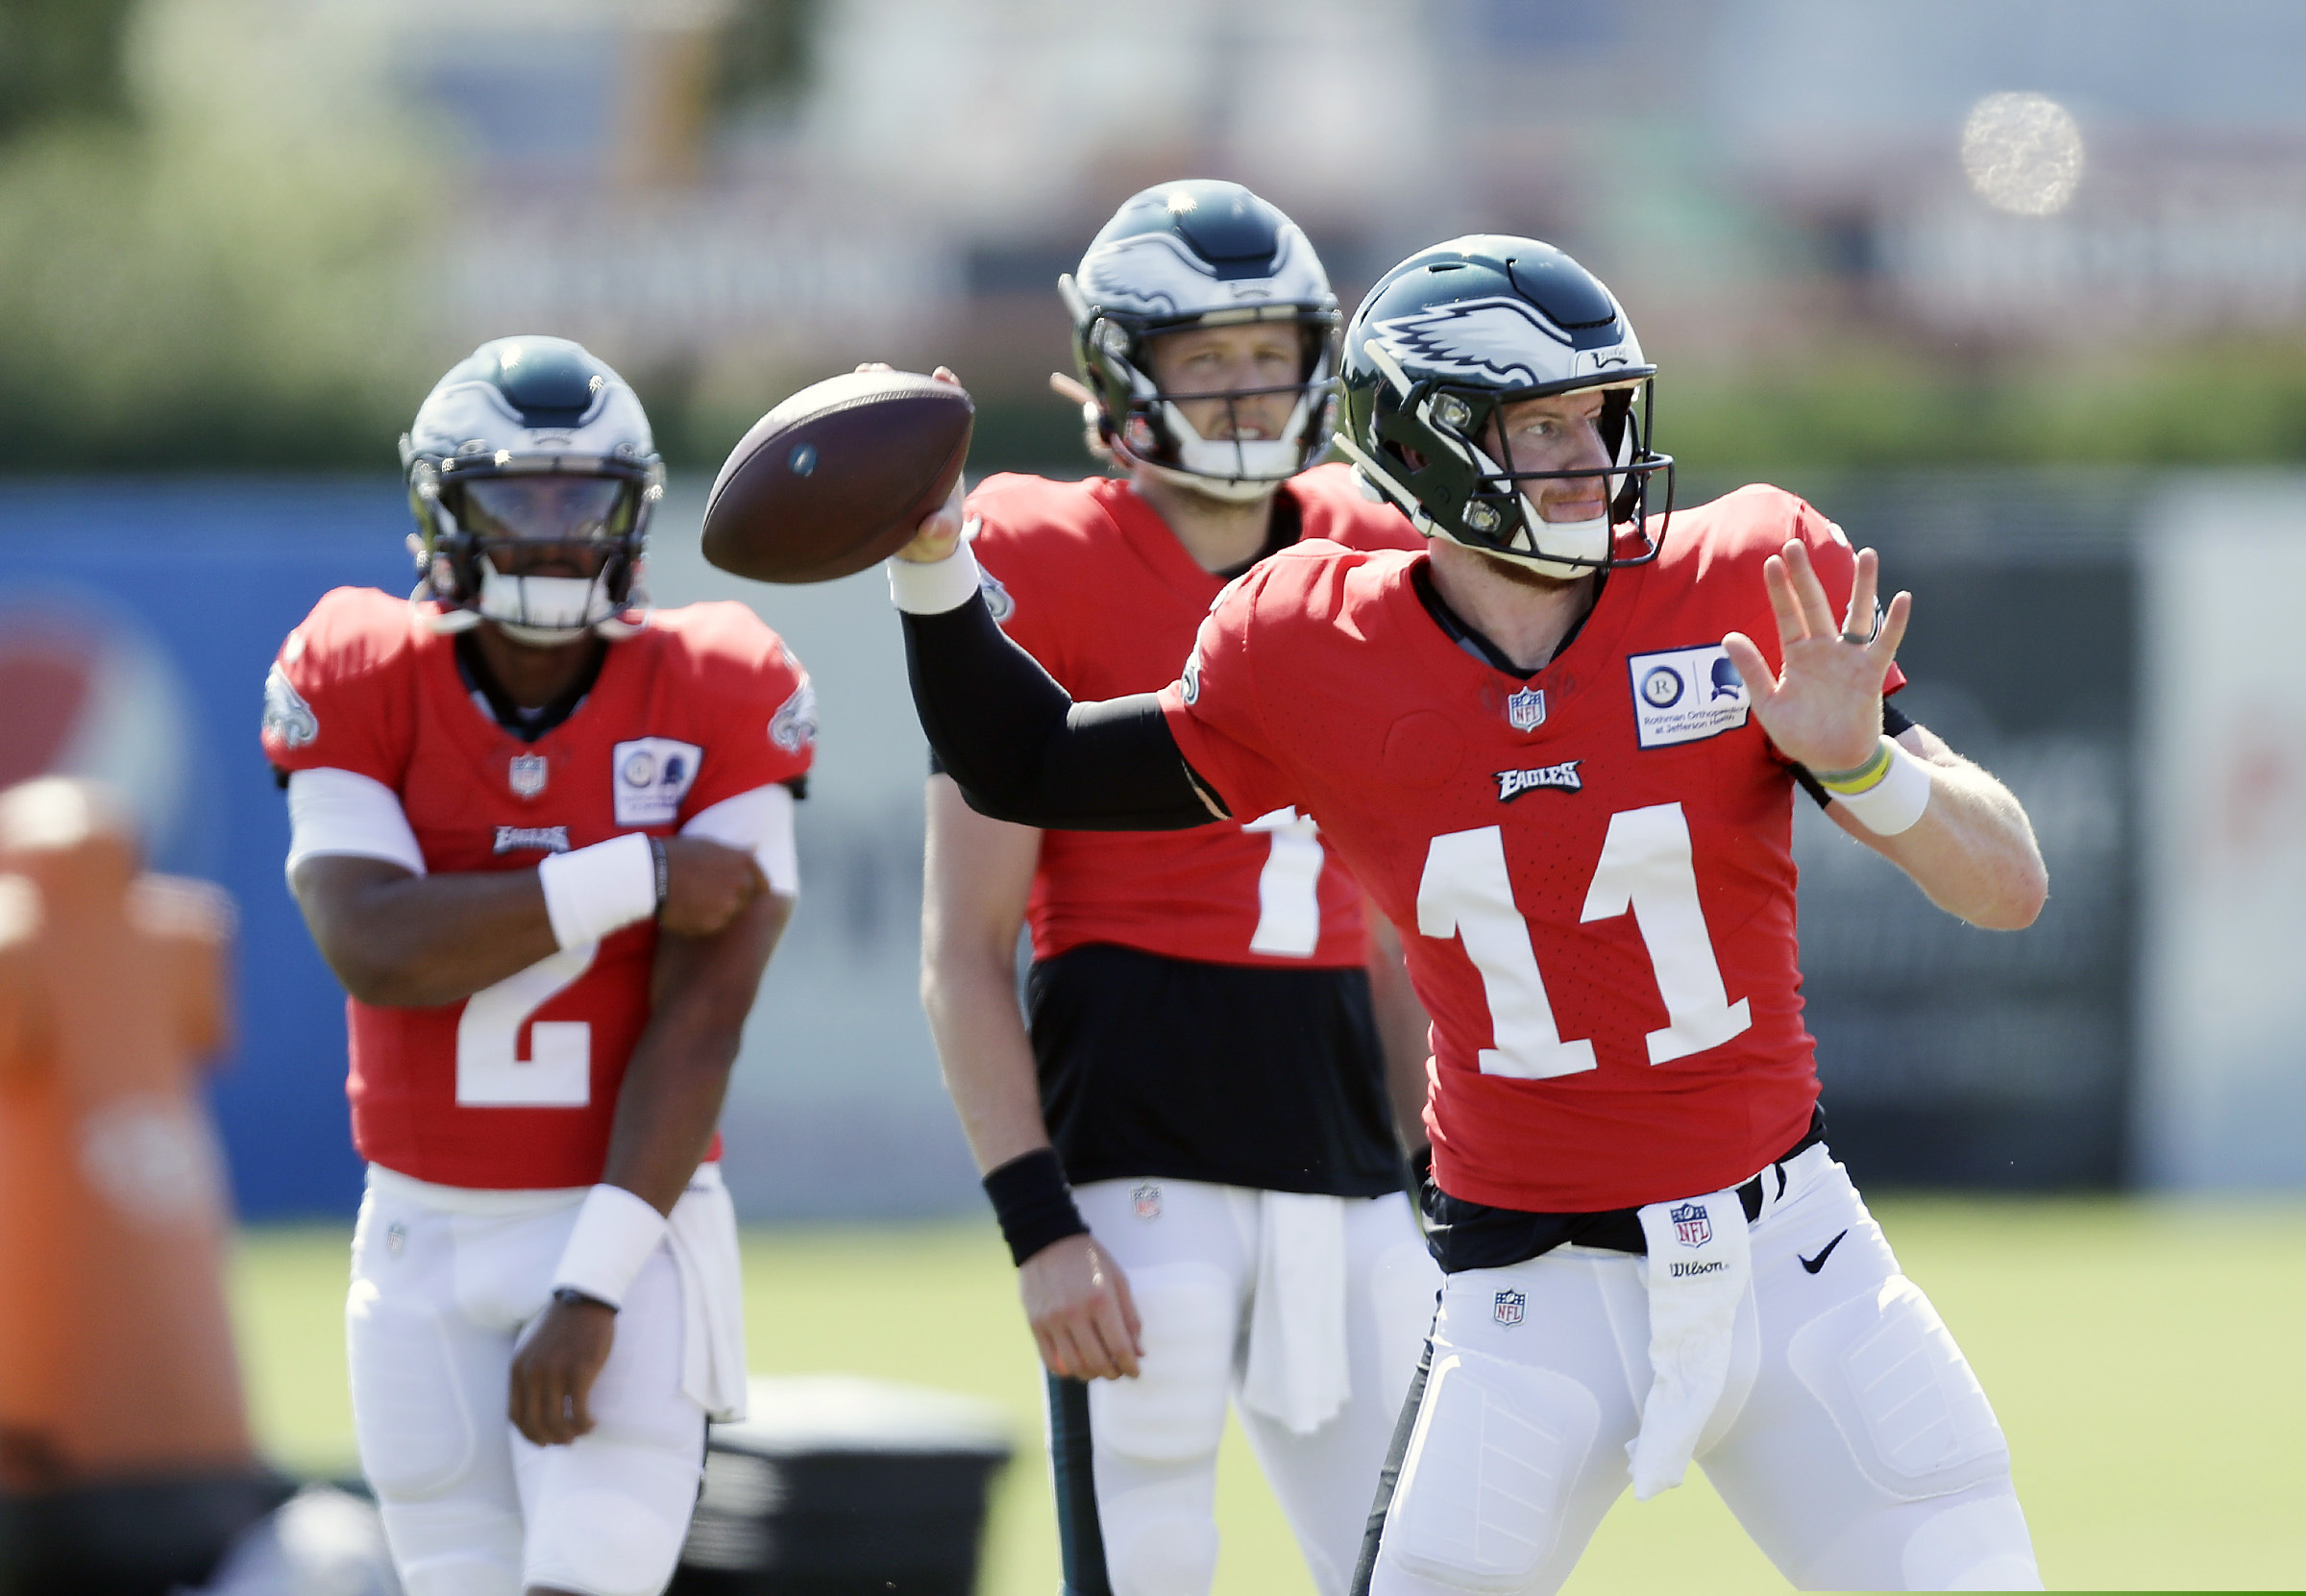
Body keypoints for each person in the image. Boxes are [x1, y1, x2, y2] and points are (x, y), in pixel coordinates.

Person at [883, 237, 2049, 1593]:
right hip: (1530, 1298)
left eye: (1598, 416)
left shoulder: (1747, 581)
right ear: (1428, 448)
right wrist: (929, 566)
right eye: (1540, 424)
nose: (1590, 456)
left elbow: (2009, 884)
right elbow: (1027, 763)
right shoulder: (1310, 646)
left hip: (1797, 1255)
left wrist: (1865, 766)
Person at [919, 181, 1439, 1596]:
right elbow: (963, 948)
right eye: (1203, 357)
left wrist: (1440, 1163)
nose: (1244, 387)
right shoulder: (1037, 550)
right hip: (1138, 1153)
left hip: (1341, 1150)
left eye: (1268, 349)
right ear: (1118, 374)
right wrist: (1039, 1229)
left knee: (1435, 1570)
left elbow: (1390, 924)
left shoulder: (1370, 548)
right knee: (1151, 1566)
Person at [261, 336, 815, 1596]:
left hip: (629, 1223)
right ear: (444, 513)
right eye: (517, 500)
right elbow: (374, 946)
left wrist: (593, 1282)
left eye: (585, 503)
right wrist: (639, 874)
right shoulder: (357, 665)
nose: (554, 536)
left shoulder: (722, 680)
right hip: (418, 1239)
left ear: (635, 515)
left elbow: (704, 1027)